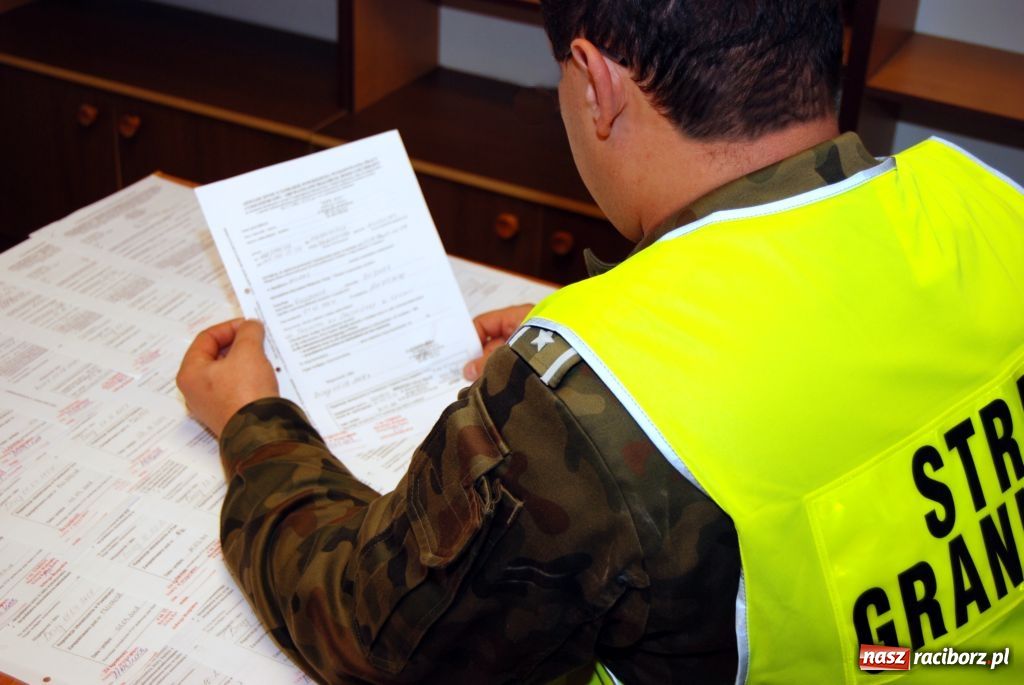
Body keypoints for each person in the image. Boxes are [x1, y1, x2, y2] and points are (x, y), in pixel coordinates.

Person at [177, 1, 1024, 683]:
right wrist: (612, 324)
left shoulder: (574, 407)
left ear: (596, 81)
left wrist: (254, 422)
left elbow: (369, 630)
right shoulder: (986, 200)